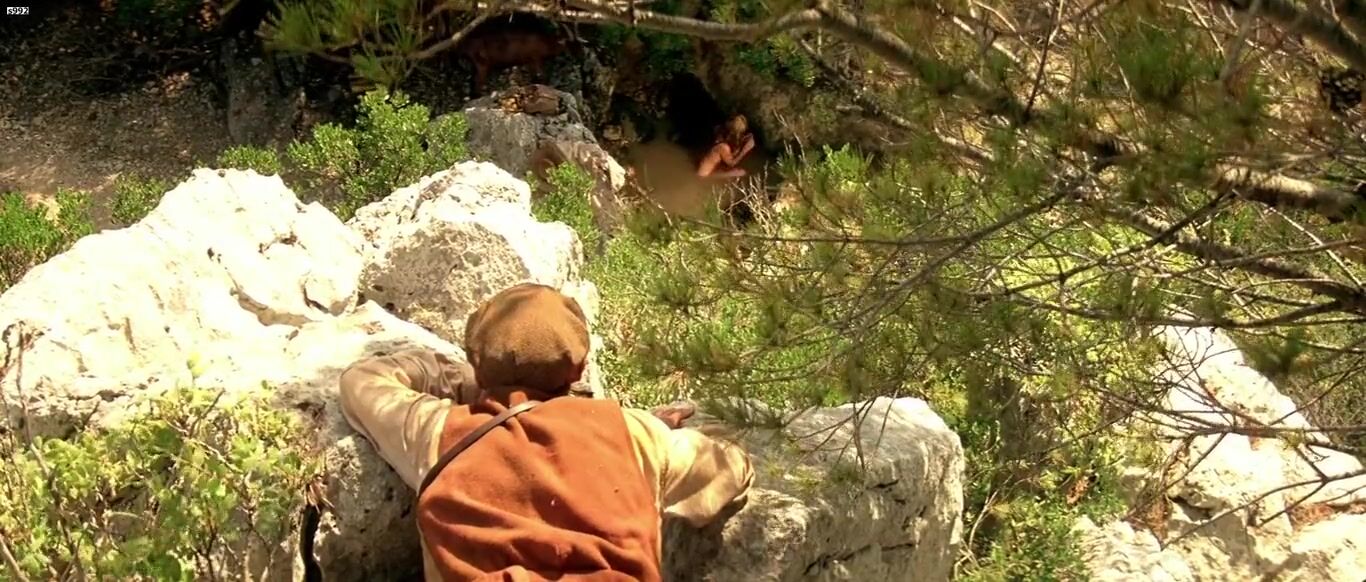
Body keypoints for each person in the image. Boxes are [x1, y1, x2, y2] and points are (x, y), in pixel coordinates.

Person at [338, 283, 754, 582]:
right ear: (579, 368)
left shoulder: (437, 433)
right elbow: (732, 470)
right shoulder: (633, 433)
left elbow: (362, 381)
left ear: (478, 364)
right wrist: (653, 435)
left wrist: (467, 379)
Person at [696, 114, 757, 179]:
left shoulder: (720, 134)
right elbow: (732, 163)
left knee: (736, 171)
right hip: (703, 176)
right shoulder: (723, 147)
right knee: (741, 172)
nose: (742, 136)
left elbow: (731, 154)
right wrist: (746, 148)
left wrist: (743, 142)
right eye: (741, 134)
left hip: (705, 170)